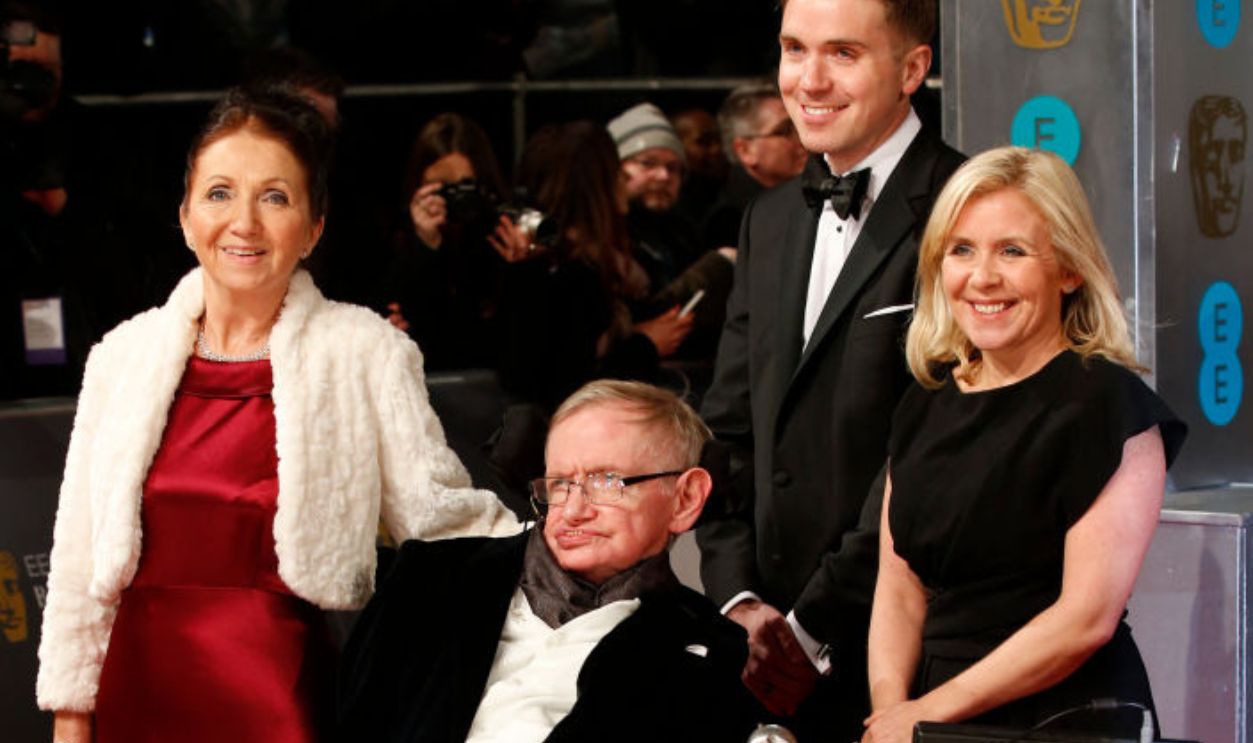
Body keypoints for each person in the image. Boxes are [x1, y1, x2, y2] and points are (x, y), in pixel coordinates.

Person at [35, 87, 519, 743]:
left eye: (275, 196)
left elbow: (445, 523)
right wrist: (71, 712)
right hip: (135, 695)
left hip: (278, 699)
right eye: (218, 193)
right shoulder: (122, 358)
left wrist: (570, 554)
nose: (243, 221)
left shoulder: (362, 353)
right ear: (183, 215)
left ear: (314, 226)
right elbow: (78, 559)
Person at [693, 0, 965, 738]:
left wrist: (810, 623)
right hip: (764, 652)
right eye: (792, 48)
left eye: (842, 53)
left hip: (917, 657)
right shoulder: (769, 218)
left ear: (913, 68)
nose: (807, 80)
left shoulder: (969, 209)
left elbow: (930, 451)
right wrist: (740, 601)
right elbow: (726, 427)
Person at [863, 146, 1187, 743]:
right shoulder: (925, 401)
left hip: (1066, 716)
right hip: (931, 713)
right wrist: (891, 710)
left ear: (1068, 269)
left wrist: (927, 713)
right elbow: (899, 585)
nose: (982, 277)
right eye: (962, 250)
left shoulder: (1111, 407)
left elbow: (1083, 621)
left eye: (1012, 251)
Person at [339, 379, 762, 741]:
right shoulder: (428, 579)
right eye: (560, 484)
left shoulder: (714, 653)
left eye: (606, 482)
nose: (573, 510)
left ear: (685, 499)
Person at [496, 121, 694, 410]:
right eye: (616, 168)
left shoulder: (564, 262)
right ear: (599, 184)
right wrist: (645, 345)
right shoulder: (568, 273)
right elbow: (569, 387)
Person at [383, 112, 519, 371]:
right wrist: (425, 244)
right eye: (441, 188)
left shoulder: (501, 236)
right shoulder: (398, 240)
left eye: (464, 186)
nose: (454, 198)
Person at [704, 82, 808, 251]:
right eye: (785, 131)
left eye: (800, 126)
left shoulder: (805, 196)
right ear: (745, 150)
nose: (803, 139)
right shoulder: (729, 221)